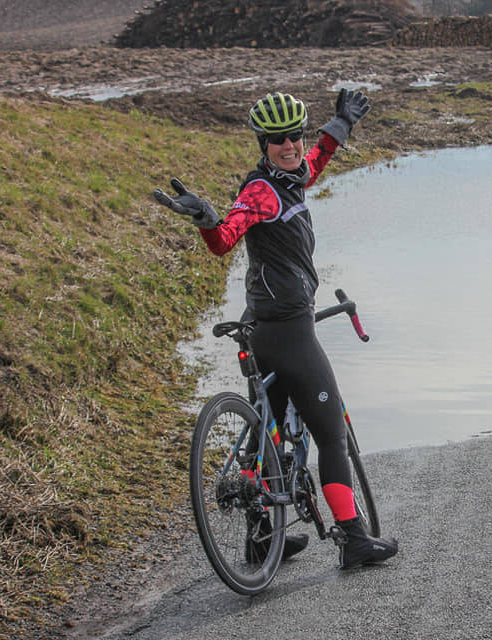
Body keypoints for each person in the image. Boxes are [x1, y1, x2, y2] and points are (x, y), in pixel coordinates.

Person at [154, 89, 398, 570]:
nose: (290, 146)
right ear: (262, 144)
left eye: (295, 136)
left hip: (259, 326)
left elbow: (316, 160)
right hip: (289, 330)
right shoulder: (261, 191)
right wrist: (206, 218)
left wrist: (342, 123)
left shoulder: (290, 178)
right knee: (330, 434)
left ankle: (263, 539)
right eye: (278, 140)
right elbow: (226, 239)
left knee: (269, 430)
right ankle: (353, 540)